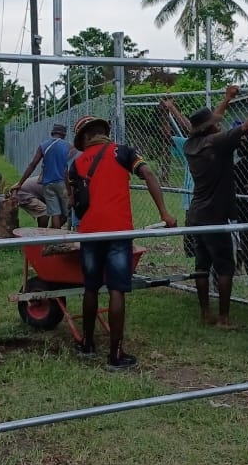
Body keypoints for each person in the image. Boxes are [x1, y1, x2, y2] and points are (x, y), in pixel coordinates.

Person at [68, 114, 177, 370]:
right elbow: (148, 173)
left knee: (91, 288)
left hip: (90, 233)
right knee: (116, 289)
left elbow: (73, 201)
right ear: (102, 131)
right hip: (118, 231)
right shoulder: (123, 152)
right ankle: (116, 356)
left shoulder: (75, 164)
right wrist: (164, 212)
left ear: (84, 137)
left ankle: (88, 344)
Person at [178, 85, 248, 328]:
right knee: (225, 265)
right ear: (210, 128)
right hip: (215, 214)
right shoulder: (217, 143)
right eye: (215, 122)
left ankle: (205, 312)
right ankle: (224, 318)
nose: (219, 123)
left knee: (202, 265)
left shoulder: (191, 145)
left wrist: (227, 98)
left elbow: (213, 120)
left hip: (197, 214)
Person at [11, 122, 73, 229]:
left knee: (54, 213)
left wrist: (20, 183)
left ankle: (50, 237)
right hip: (62, 183)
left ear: (52, 133)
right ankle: (53, 238)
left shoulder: (43, 145)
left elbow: (32, 165)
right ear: (64, 135)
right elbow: (71, 166)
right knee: (65, 213)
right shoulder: (69, 147)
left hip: (47, 184)